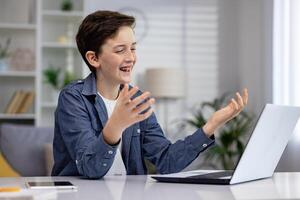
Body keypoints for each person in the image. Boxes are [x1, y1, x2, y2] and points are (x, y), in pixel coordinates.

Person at [51, 10, 248, 179]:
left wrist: (210, 126)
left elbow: (166, 161)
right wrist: (116, 125)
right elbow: (90, 168)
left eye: (133, 48)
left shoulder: (137, 101)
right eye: (120, 50)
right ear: (94, 58)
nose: (131, 58)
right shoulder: (73, 98)